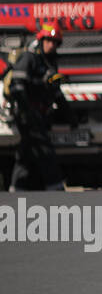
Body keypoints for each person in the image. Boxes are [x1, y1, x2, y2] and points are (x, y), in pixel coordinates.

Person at [5, 23, 70, 191]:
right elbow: (17, 86)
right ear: (41, 40)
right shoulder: (29, 58)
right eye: (48, 40)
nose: (51, 45)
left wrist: (69, 114)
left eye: (55, 42)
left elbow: (55, 92)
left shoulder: (50, 63)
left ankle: (16, 188)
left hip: (40, 113)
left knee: (27, 151)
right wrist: (27, 111)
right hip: (27, 113)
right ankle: (55, 186)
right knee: (43, 148)